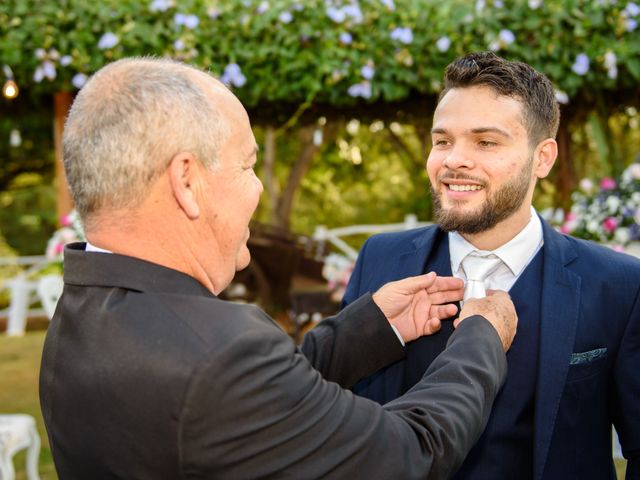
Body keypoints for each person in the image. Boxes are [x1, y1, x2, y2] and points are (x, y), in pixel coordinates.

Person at [39, 57, 518, 480]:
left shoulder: (82, 311)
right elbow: (407, 453)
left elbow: (255, 408)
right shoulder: (218, 356)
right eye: (247, 167)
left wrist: (373, 327)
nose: (258, 192)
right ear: (187, 181)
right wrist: (480, 338)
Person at [342, 51, 640, 479]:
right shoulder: (381, 259)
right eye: (442, 140)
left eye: (486, 142)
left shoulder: (620, 286)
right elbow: (339, 412)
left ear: (543, 158)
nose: (453, 160)